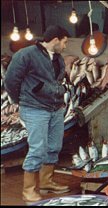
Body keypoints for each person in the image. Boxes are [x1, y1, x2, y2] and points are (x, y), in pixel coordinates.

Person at [5, 25, 70, 203]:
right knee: (37, 149)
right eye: (64, 42)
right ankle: (29, 191)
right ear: (55, 40)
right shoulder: (26, 54)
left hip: (56, 108)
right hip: (35, 109)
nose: (65, 46)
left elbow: (56, 80)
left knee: (54, 146)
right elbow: (10, 81)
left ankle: (46, 182)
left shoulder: (58, 58)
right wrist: (22, 101)